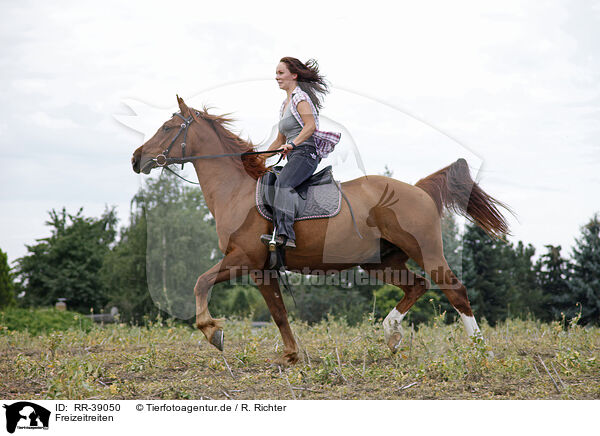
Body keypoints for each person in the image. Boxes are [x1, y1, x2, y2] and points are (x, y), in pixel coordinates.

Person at [260, 57, 341, 249]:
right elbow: (279, 141)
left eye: (281, 73)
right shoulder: (284, 105)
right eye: (276, 73)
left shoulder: (301, 98)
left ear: (294, 75)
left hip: (306, 154)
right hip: (296, 153)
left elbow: (310, 126)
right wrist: (257, 157)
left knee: (283, 184)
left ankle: (286, 236)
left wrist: (293, 144)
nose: (276, 77)